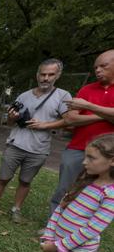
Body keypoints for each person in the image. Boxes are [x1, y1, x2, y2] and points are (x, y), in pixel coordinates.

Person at [0, 59, 71, 223]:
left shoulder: (63, 95)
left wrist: (45, 124)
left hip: (38, 148)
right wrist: (11, 117)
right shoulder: (24, 95)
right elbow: (10, 122)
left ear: (57, 75)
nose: (45, 78)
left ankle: (16, 209)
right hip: (16, 143)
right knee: (3, 178)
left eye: (50, 74)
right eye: (43, 74)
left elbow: (69, 120)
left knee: (25, 181)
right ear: (37, 75)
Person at [48, 49, 114, 215]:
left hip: (107, 154)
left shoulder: (86, 101)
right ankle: (53, 224)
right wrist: (105, 116)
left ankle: (78, 228)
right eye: (96, 67)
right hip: (77, 148)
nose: (98, 70)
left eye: (103, 66)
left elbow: (81, 110)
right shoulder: (87, 89)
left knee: (96, 193)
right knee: (65, 187)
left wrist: (88, 107)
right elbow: (71, 119)